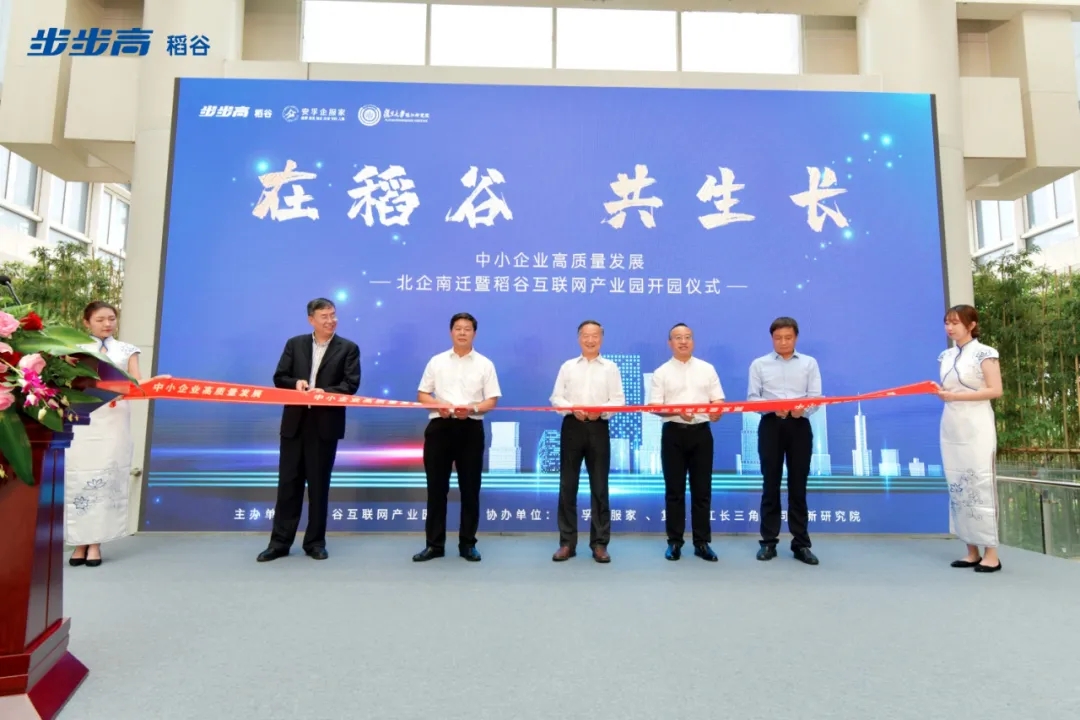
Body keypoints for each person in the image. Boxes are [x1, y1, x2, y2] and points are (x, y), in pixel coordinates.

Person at [257, 298, 361, 562]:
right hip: (295, 424)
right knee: (288, 485)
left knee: (318, 486)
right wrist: (296, 384)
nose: (331, 320)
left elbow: (350, 385)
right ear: (311, 320)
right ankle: (279, 543)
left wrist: (325, 392)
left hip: (325, 425)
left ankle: (315, 542)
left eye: (333, 315)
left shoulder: (348, 348)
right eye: (324, 316)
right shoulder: (295, 344)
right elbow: (279, 377)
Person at [413, 312, 502, 562]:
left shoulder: (485, 364)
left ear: (474, 333)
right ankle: (434, 545)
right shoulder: (437, 361)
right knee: (436, 489)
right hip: (439, 428)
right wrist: (438, 405)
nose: (462, 332)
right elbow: (423, 394)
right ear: (451, 332)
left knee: (470, 489)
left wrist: (472, 408)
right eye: (458, 328)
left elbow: (491, 400)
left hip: (470, 429)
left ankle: (468, 544)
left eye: (467, 329)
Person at [66, 301, 143, 567]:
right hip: (81, 418)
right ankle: (79, 543)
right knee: (78, 476)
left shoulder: (127, 350)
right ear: (86, 322)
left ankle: (96, 544)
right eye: (100, 320)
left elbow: (136, 383)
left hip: (113, 418)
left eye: (111, 318)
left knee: (106, 476)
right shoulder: (72, 348)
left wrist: (155, 384)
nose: (107, 324)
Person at [748, 316, 822, 566]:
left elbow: (815, 397)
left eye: (788, 337)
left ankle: (801, 544)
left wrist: (804, 409)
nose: (783, 342)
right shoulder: (759, 364)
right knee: (770, 484)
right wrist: (772, 406)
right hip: (771, 425)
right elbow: (752, 399)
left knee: (798, 486)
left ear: (796, 338)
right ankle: (768, 542)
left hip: (799, 426)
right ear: (772, 338)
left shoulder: (809, 363)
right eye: (778, 338)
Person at [549, 320, 625, 563]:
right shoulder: (568, 366)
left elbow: (618, 400)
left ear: (601, 338)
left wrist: (599, 411)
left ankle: (600, 544)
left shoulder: (610, 368)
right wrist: (573, 408)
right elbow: (556, 398)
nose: (590, 340)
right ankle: (566, 543)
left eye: (595, 335)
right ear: (579, 338)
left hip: (598, 427)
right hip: (572, 426)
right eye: (586, 335)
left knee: (600, 487)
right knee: (567, 486)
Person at [649, 323, 725, 562]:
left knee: (702, 490)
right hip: (673, 434)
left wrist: (717, 411)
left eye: (688, 337)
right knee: (675, 491)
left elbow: (718, 400)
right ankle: (674, 542)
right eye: (678, 338)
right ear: (670, 343)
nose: (683, 341)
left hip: (702, 434)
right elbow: (654, 406)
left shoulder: (707, 368)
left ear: (693, 341)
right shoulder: (661, 372)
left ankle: (702, 543)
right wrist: (677, 412)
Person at [936, 304, 1003, 573]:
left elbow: (995, 390)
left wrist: (956, 396)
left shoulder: (986, 353)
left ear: (971, 325)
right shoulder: (945, 355)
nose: (950, 327)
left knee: (980, 483)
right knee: (957, 483)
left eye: (955, 322)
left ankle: (991, 554)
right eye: (947, 323)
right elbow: (949, 388)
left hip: (977, 425)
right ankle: (971, 550)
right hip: (952, 424)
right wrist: (941, 392)